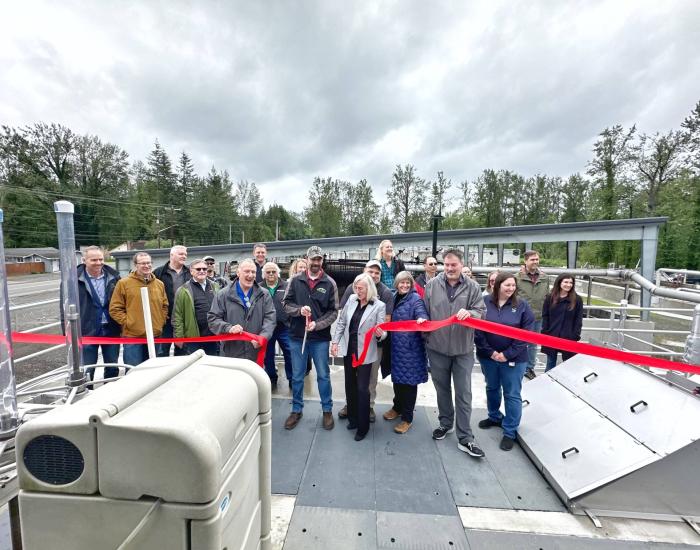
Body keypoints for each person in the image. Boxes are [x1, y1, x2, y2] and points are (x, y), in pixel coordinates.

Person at [423, 248, 486, 459]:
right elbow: (424, 310)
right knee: (441, 389)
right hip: (437, 348)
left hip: (462, 350)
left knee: (463, 393)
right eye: (447, 265)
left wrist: (471, 313)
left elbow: (481, 312)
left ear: (461, 265)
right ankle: (445, 423)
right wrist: (423, 327)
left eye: (454, 265)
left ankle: (465, 437)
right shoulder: (432, 285)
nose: (450, 269)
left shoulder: (473, 287)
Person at [475, 273, 535, 451]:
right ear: (497, 285)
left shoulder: (522, 306)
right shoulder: (484, 303)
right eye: (506, 285)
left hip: (514, 360)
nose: (510, 289)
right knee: (492, 387)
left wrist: (507, 354)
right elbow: (477, 330)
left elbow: (526, 334)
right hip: (489, 357)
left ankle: (510, 431)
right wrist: (491, 352)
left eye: (513, 285)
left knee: (512, 394)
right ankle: (494, 416)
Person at [283, 245, 339, 431]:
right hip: (297, 337)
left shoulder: (329, 283)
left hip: (320, 338)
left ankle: (327, 410)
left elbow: (333, 312)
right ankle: (296, 409)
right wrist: (299, 311)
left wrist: (318, 324)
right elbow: (286, 305)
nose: (316, 262)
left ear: (322, 261)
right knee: (297, 376)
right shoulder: (295, 280)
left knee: (323, 375)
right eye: (313, 259)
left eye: (319, 259)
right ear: (306, 259)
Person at [337, 259, 394, 422]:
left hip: (374, 345)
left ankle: (368, 406)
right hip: (353, 344)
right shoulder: (352, 288)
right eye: (371, 271)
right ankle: (351, 405)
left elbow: (386, 322)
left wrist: (377, 332)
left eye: (377, 272)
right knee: (350, 378)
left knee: (370, 379)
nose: (374, 275)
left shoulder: (386, 293)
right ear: (364, 271)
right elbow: (344, 313)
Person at [331, 274, 386, 441]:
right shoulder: (351, 299)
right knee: (350, 385)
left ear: (369, 288)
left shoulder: (379, 306)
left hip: (366, 353)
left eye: (361, 288)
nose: (357, 291)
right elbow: (341, 323)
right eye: (356, 288)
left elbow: (383, 333)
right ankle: (353, 419)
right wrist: (335, 342)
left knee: (363, 389)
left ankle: (363, 427)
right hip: (350, 350)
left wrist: (380, 334)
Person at [382, 271, 429, 434]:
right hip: (396, 348)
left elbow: (420, 312)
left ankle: (407, 418)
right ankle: (397, 407)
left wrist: (422, 319)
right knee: (398, 381)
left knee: (409, 384)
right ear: (396, 284)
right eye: (401, 283)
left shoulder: (415, 299)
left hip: (410, 350)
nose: (405, 285)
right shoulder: (395, 297)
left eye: (407, 283)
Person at [208, 258, 276, 362]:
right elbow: (213, 319)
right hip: (231, 352)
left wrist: (263, 337)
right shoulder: (223, 294)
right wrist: (228, 328)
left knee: (254, 378)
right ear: (238, 273)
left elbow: (270, 319)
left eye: (253, 272)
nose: (250, 275)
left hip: (255, 351)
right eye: (247, 271)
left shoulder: (264, 294)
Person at [109, 252, 168, 366]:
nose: (147, 266)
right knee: (133, 370)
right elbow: (115, 308)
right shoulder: (124, 283)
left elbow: (164, 305)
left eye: (149, 263)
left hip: (155, 335)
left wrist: (160, 321)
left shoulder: (159, 284)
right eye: (143, 263)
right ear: (136, 265)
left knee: (153, 369)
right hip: (133, 337)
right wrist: (130, 323)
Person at [74, 246, 121, 365]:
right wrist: (68, 332)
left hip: (111, 329)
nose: (98, 263)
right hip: (87, 331)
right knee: (87, 368)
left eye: (101, 259)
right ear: (84, 261)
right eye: (94, 260)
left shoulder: (114, 278)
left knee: (112, 366)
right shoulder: (73, 280)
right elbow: (64, 306)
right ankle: (88, 384)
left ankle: (111, 384)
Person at [172, 258, 221, 356]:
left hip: (213, 336)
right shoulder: (183, 290)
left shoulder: (215, 286)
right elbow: (177, 316)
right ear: (191, 271)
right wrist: (179, 337)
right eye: (198, 269)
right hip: (193, 338)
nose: (202, 271)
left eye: (204, 269)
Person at [516, 250, 549, 380]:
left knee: (533, 344)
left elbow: (547, 296)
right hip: (521, 317)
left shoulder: (544, 277)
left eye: (537, 259)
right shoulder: (517, 277)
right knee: (518, 342)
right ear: (525, 261)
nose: (535, 262)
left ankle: (529, 368)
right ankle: (518, 366)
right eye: (532, 259)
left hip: (538, 317)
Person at [153, 245, 191, 358]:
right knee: (161, 354)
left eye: (185, 254)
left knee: (183, 355)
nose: (184, 256)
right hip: (165, 321)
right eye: (181, 254)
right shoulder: (158, 273)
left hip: (184, 321)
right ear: (171, 255)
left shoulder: (190, 272)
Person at [260, 262, 292, 389]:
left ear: (277, 273)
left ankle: (291, 378)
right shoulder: (259, 287)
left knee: (289, 352)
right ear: (264, 274)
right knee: (268, 354)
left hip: (284, 327)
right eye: (268, 272)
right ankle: (271, 377)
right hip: (267, 327)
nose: (271, 274)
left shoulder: (287, 285)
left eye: (273, 271)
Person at [541, 273, 584, 371]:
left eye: (571, 283)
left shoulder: (577, 300)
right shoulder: (550, 297)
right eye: (566, 282)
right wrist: (545, 333)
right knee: (550, 362)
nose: (568, 285)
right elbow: (545, 316)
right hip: (552, 335)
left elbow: (578, 319)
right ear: (559, 282)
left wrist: (575, 336)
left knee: (568, 363)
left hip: (569, 336)